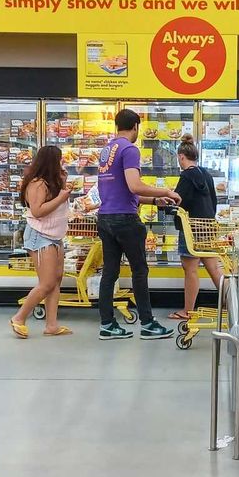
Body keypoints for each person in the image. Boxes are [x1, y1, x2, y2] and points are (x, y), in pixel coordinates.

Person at [95, 109, 182, 340]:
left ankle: (107, 324)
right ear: (135, 126)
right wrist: (166, 190)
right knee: (140, 271)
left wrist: (154, 200)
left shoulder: (106, 150)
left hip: (105, 218)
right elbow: (134, 185)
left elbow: (122, 190)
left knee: (110, 273)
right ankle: (148, 324)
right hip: (125, 220)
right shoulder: (130, 149)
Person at [10, 146, 72, 338]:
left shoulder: (50, 182)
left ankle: (51, 325)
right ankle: (19, 317)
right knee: (46, 283)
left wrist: (63, 183)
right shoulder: (37, 184)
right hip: (40, 235)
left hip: (54, 235)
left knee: (56, 279)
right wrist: (62, 197)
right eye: (60, 160)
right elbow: (37, 211)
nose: (62, 164)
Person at [170, 135, 223, 321]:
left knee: (190, 269)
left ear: (182, 156)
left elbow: (177, 201)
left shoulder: (185, 176)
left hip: (191, 228)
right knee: (214, 269)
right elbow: (214, 201)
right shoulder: (206, 174)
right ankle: (234, 305)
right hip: (207, 226)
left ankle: (187, 311)